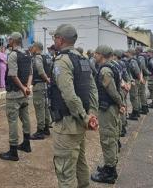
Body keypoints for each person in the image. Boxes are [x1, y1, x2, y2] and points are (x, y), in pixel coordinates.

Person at [49, 24, 98, 188]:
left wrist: (86, 117)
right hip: (79, 122)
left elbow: (69, 95)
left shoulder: (62, 61)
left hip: (67, 125)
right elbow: (92, 89)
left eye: (54, 37)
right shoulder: (83, 59)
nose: (53, 40)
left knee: (65, 172)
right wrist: (91, 115)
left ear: (60, 39)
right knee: (80, 163)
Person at [90, 45, 126, 184]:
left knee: (108, 139)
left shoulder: (105, 70)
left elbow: (112, 90)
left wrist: (120, 104)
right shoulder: (113, 66)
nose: (94, 55)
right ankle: (108, 166)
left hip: (108, 108)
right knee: (110, 137)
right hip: (110, 107)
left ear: (102, 55)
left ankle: (110, 172)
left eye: (96, 53)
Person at [0, 32, 33, 161]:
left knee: (13, 121)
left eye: (9, 39)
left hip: (14, 94)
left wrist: (23, 88)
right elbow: (30, 73)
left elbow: (13, 75)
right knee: (25, 118)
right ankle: (26, 144)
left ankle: (13, 151)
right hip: (25, 93)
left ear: (13, 40)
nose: (8, 40)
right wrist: (27, 88)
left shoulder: (13, 55)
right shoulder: (27, 54)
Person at [29, 42, 52, 140]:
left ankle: (40, 131)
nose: (31, 49)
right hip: (45, 86)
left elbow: (40, 70)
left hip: (39, 85)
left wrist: (46, 79)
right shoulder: (46, 57)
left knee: (39, 108)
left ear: (36, 48)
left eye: (33, 47)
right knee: (45, 107)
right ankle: (46, 128)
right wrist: (48, 80)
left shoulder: (37, 57)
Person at [127, 49, 143, 120]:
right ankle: (136, 111)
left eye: (127, 52)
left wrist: (139, 79)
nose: (126, 53)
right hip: (136, 80)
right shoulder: (134, 60)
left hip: (134, 80)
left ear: (130, 53)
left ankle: (135, 113)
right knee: (135, 96)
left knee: (133, 96)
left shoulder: (133, 61)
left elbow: (137, 71)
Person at [135, 46, 150, 115]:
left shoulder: (141, 57)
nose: (135, 51)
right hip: (143, 75)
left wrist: (141, 75)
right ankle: (144, 107)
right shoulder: (143, 56)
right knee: (142, 91)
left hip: (142, 76)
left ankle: (144, 108)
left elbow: (142, 67)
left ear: (138, 50)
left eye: (136, 50)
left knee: (141, 92)